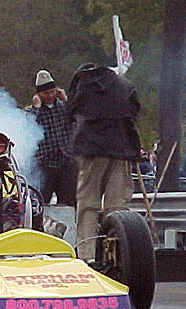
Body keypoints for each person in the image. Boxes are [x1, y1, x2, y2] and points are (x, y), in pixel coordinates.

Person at [68, 63, 141, 261]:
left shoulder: (83, 85)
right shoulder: (125, 86)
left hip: (92, 151)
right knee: (117, 206)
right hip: (121, 150)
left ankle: (86, 253)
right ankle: (116, 255)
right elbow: (134, 113)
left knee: (87, 204)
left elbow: (70, 112)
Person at [26, 69, 77, 206]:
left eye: (52, 92)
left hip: (66, 162)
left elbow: (77, 117)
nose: (50, 95)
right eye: (45, 93)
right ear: (38, 94)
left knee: (69, 202)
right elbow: (27, 127)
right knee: (41, 201)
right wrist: (36, 107)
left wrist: (66, 99)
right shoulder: (32, 111)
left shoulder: (64, 107)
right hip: (45, 164)